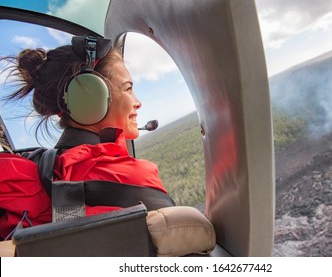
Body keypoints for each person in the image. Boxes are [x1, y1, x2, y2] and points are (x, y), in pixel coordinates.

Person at [0, 36, 215, 256]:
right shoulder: (134, 176)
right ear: (90, 96)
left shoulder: (17, 177)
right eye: (128, 88)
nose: (137, 101)